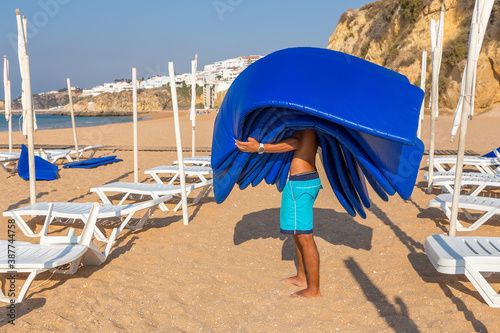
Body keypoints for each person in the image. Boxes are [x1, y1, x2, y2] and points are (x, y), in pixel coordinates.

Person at [235, 129, 322, 298]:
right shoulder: (309, 124)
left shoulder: (304, 124)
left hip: (301, 184)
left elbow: (295, 143)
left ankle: (314, 290)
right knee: (297, 233)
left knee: (305, 237)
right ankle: (302, 277)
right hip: (302, 181)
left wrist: (259, 147)